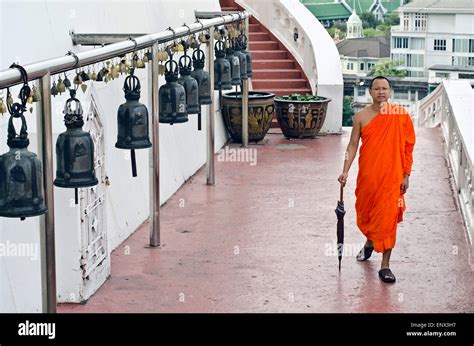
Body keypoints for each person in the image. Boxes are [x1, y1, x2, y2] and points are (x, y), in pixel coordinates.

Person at [337, 76, 416, 283]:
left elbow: (408, 147)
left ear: (390, 92)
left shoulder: (400, 115)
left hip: (392, 178)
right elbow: (353, 145)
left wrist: (406, 174)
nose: (381, 92)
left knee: (388, 219)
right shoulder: (361, 117)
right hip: (368, 177)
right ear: (370, 92)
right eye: (376, 88)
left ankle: (385, 265)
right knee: (368, 214)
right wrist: (345, 170)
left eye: (384, 88)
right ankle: (370, 243)